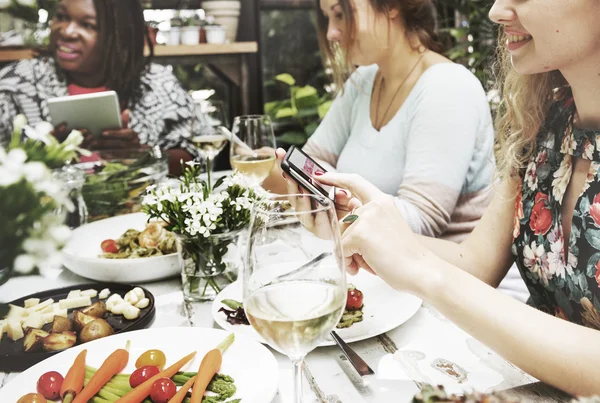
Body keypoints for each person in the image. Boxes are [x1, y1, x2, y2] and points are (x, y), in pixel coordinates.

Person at [310, 0, 600, 395]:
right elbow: (474, 262)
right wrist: (378, 227)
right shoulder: (547, 121)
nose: (497, 11)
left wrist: (427, 274)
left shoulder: (447, 85)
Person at [266, 0, 495, 244]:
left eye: (341, 14)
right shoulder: (364, 80)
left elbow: (420, 225)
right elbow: (312, 163)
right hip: (374, 268)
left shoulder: (447, 87)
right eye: (327, 18)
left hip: (437, 274)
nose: (331, 33)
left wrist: (337, 199)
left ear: (390, 6)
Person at [0, 0, 205, 174]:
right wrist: (48, 156)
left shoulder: (157, 83)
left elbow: (200, 157)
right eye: (62, 17)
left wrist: (142, 156)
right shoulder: (16, 84)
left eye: (88, 25)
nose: (67, 31)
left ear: (120, 34)